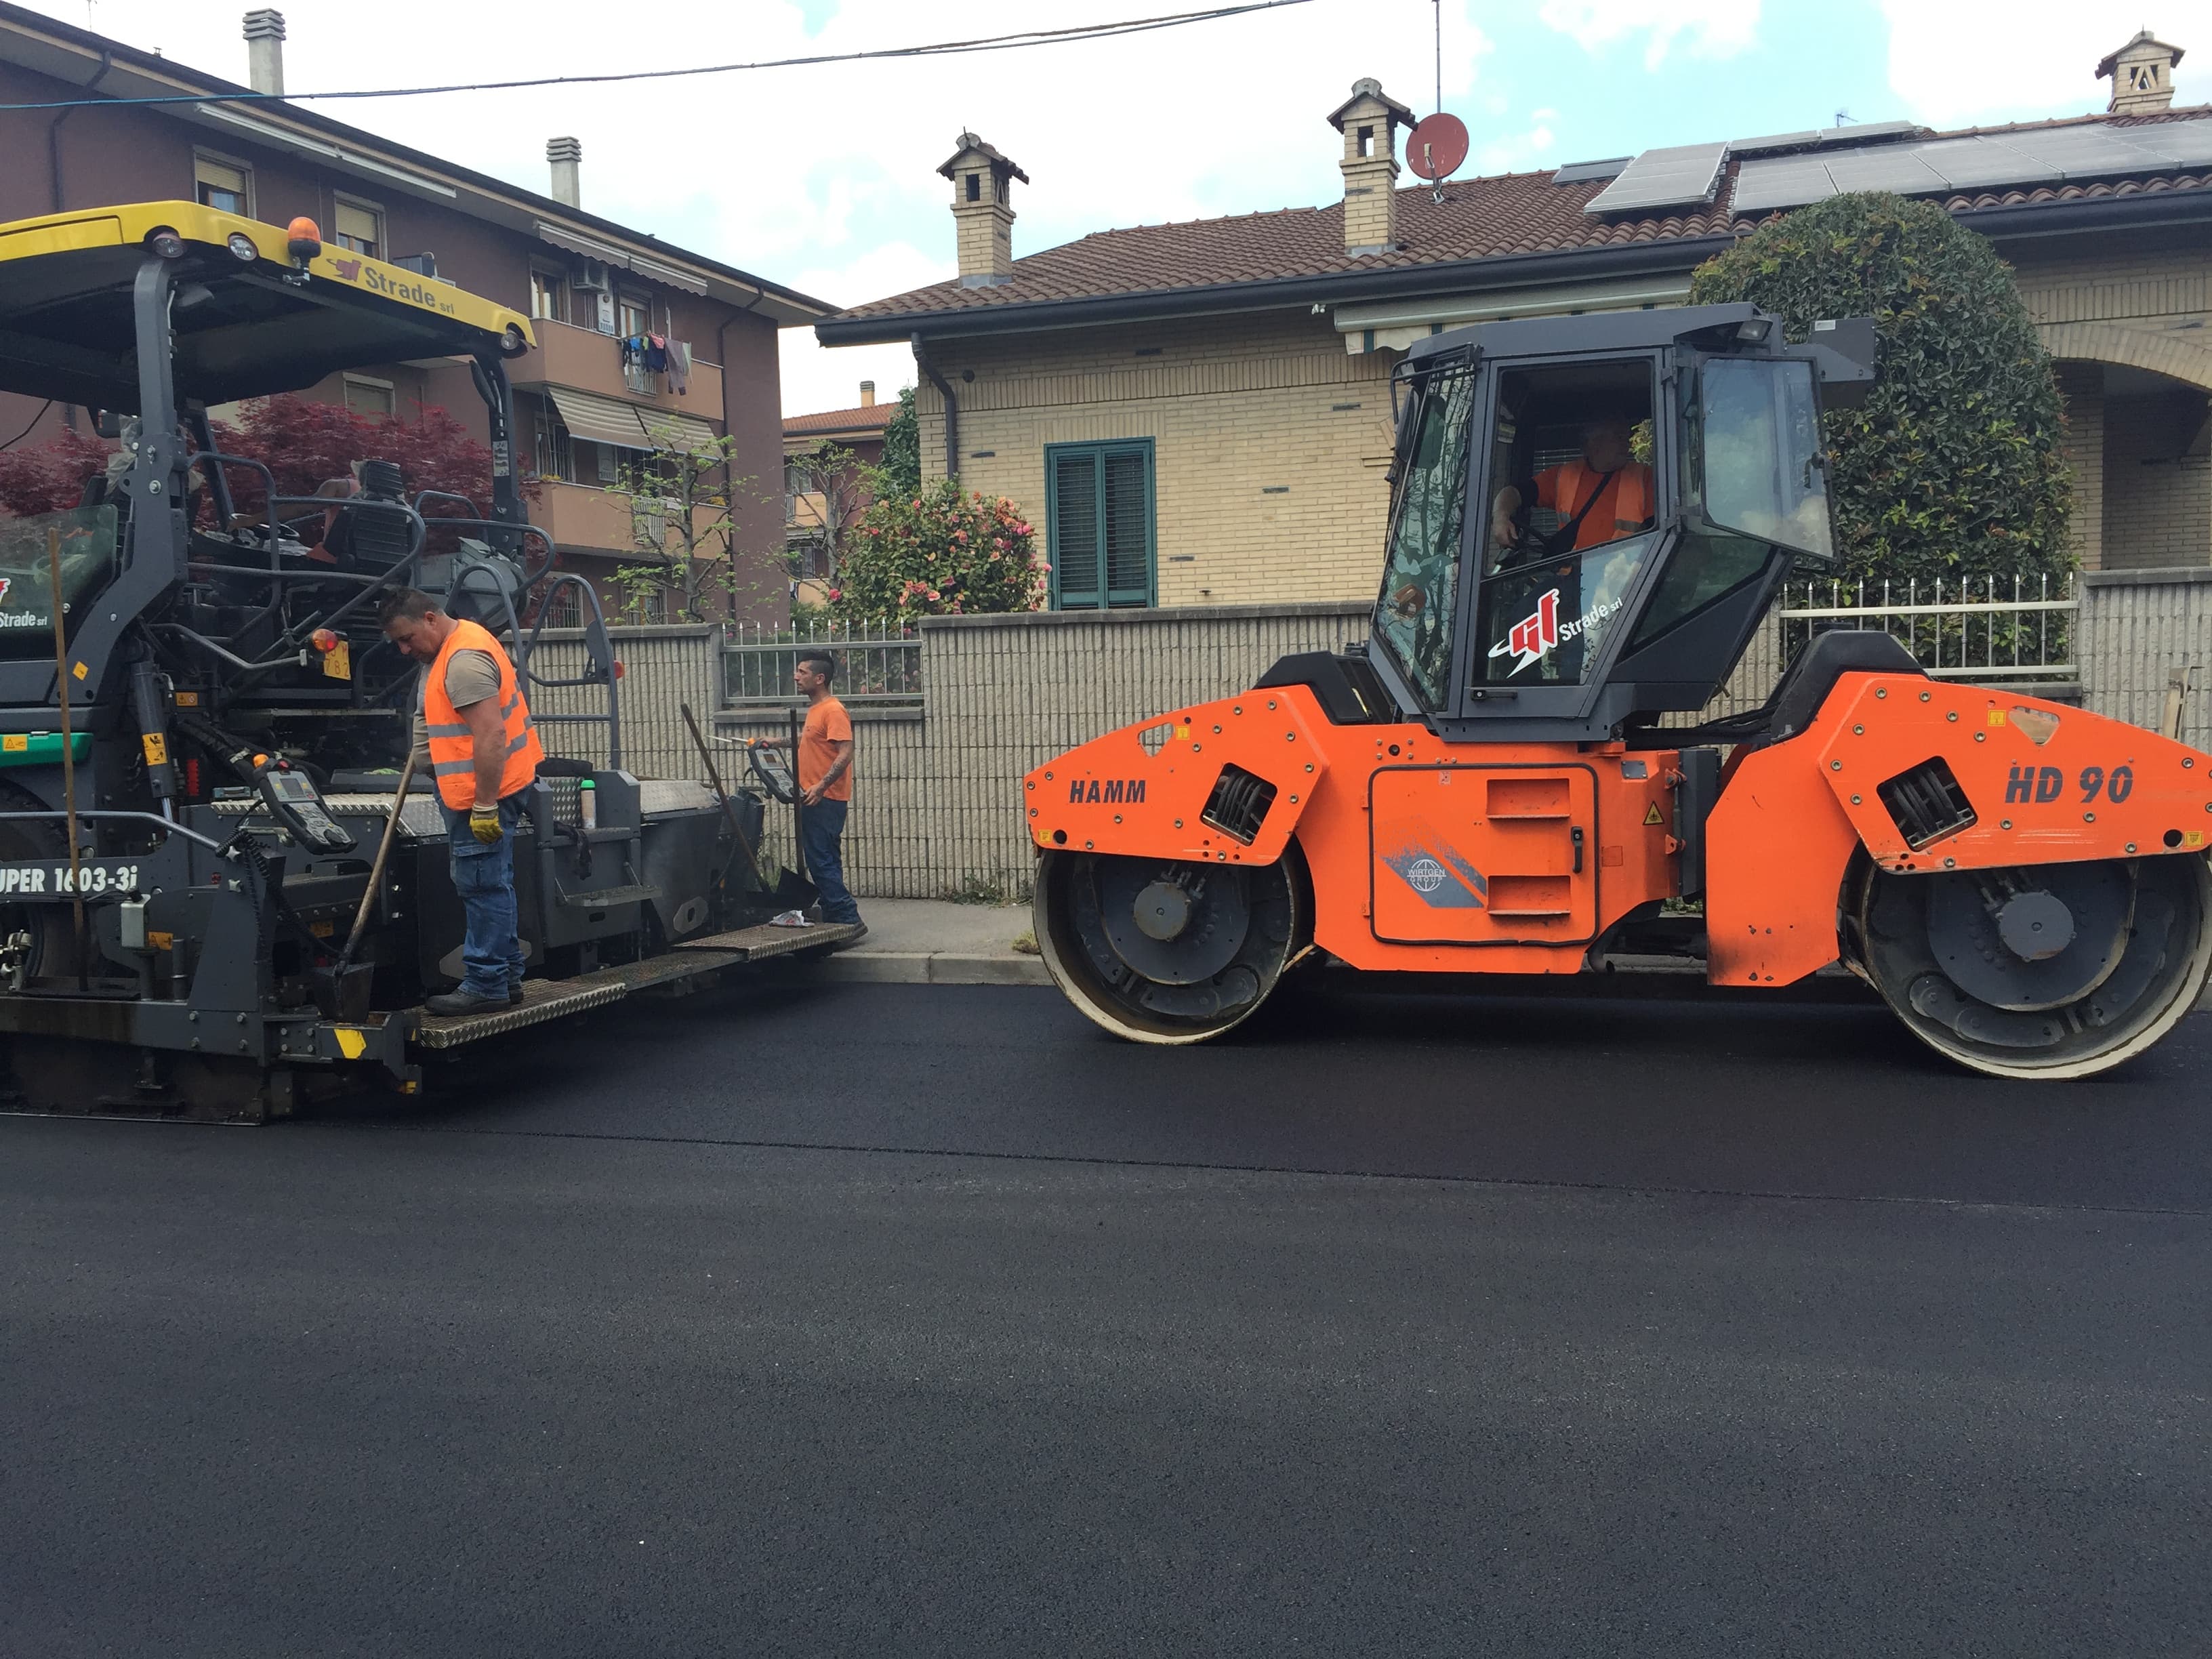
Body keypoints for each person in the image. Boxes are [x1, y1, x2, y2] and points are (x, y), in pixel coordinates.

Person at [379, 588, 544, 1015]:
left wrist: (485, 804)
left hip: (481, 791)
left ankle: (485, 983)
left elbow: (491, 735)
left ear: (430, 619)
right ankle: (506, 977)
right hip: (479, 787)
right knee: (493, 880)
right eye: (397, 642)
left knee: (481, 883)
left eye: (407, 638)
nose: (403, 649)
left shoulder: (463, 661)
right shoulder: (453, 644)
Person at [755, 649, 863, 935]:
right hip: (816, 795)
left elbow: (846, 753)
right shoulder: (817, 711)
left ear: (820, 677)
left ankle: (848, 918)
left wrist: (821, 785)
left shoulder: (833, 709)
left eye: (802, 672)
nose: (796, 677)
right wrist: (778, 742)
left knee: (820, 859)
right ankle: (835, 916)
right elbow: (811, 740)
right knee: (827, 858)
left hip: (823, 797)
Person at [1489, 414, 1654, 558]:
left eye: (1626, 437)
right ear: (1594, 444)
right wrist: (1501, 517)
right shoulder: (1564, 476)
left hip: (1627, 584)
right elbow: (1514, 493)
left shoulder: (1644, 478)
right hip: (1570, 583)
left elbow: (1656, 535)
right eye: (1619, 437)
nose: (1627, 444)